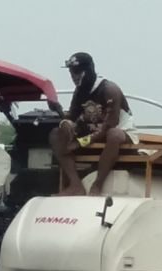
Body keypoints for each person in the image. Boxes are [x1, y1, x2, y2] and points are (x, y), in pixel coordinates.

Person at [49, 52, 140, 196]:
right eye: (71, 72)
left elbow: (109, 126)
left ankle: (98, 185)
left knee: (114, 135)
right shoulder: (79, 92)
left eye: (77, 71)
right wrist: (60, 114)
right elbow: (71, 116)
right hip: (92, 135)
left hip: (119, 133)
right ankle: (75, 185)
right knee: (56, 134)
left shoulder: (110, 90)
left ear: (89, 70)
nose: (73, 76)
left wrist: (80, 143)